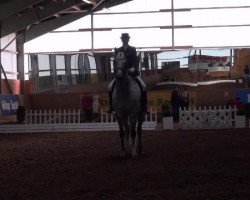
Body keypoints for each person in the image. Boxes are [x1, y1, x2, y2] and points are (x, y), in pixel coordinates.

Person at [107, 33, 149, 114]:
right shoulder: (118, 50)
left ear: (128, 39)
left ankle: (144, 107)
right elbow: (115, 62)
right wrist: (116, 71)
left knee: (144, 87)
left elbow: (136, 60)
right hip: (120, 74)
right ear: (121, 39)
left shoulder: (132, 49)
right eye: (123, 38)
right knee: (109, 87)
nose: (125, 40)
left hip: (132, 74)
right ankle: (112, 107)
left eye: (126, 38)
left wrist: (133, 68)